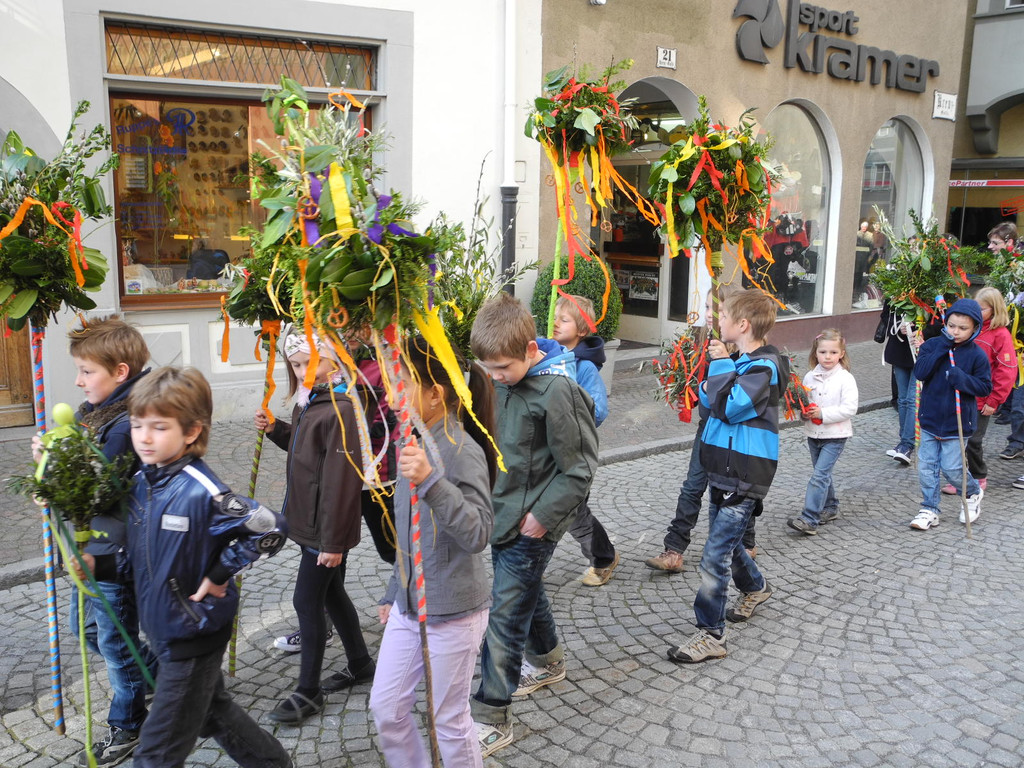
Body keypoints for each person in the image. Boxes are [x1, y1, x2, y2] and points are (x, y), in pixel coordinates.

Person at [74, 367, 291, 768]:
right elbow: (138, 556)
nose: (144, 437)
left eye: (159, 427)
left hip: (193, 633)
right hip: (162, 629)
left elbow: (271, 528)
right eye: (138, 425)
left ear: (191, 432)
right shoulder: (141, 484)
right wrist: (99, 565)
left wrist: (220, 572)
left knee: (155, 754)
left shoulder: (200, 489)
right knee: (214, 712)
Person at [468, 292, 598, 757]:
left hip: (534, 523)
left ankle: (491, 714)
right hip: (501, 514)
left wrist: (541, 518)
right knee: (524, 590)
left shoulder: (558, 391)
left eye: (502, 368)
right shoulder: (499, 378)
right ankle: (548, 661)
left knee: (504, 614)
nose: (494, 377)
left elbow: (580, 468)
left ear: (528, 350)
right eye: (488, 369)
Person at [369, 335, 497, 768]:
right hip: (409, 606)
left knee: (448, 721)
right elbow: (409, 533)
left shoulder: (461, 450)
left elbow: (479, 533)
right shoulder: (412, 441)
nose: (391, 396)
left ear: (435, 394)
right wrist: (394, 589)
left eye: (400, 384)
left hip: (453, 612)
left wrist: (431, 483)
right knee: (387, 709)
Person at [33, 316, 156, 767]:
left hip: (114, 554)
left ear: (120, 372)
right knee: (84, 629)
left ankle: (129, 723)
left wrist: (52, 474)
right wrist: (52, 457)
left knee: (116, 643)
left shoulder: (123, 425)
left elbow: (99, 492)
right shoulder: (96, 413)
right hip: (92, 549)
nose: (79, 381)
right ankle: (163, 676)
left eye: (87, 371)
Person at [254, 327, 375, 724]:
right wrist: (276, 429)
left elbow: (342, 481)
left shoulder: (341, 409)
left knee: (306, 601)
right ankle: (360, 662)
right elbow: (306, 448)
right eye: (295, 364)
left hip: (326, 529)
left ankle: (308, 692)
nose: (302, 370)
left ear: (332, 361)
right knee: (332, 594)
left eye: (310, 362)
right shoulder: (309, 401)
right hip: (310, 521)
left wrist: (333, 542)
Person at [667, 289, 784, 664]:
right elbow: (707, 404)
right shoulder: (739, 364)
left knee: (713, 556)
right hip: (723, 470)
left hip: (743, 475)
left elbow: (730, 407)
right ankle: (756, 586)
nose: (718, 321)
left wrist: (718, 370)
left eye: (724, 316)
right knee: (729, 545)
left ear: (743, 325)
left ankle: (711, 634)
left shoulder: (763, 368)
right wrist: (717, 380)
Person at [272, 328, 397, 655]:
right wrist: (276, 429)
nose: (348, 328)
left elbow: (393, 416)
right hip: (333, 484)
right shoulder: (315, 379)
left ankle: (417, 608)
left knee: (393, 549)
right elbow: (309, 445)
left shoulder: (379, 358)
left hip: (378, 477)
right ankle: (322, 630)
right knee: (329, 569)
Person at [645, 288, 758, 573]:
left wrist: (723, 359)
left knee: (735, 487)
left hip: (734, 434)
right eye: (707, 307)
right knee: (692, 487)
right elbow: (700, 388)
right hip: (707, 429)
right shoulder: (701, 343)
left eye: (717, 309)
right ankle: (674, 550)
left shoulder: (745, 351)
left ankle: (747, 542)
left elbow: (739, 396)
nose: (710, 314)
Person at [551, 294, 619, 586]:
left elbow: (599, 410)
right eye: (555, 317)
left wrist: (569, 413)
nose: (555, 323)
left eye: (564, 320)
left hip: (574, 453)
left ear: (581, 329)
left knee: (572, 511)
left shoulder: (585, 368)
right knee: (556, 509)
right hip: (549, 451)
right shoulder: (549, 357)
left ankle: (604, 558)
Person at [909, 299, 991, 530]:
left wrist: (962, 379)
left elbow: (985, 387)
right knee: (926, 467)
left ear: (975, 329)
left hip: (958, 423)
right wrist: (942, 347)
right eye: (951, 325)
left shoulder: (977, 355)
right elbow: (921, 372)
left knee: (952, 468)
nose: (955, 332)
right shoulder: (933, 345)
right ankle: (930, 508)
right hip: (930, 419)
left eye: (962, 328)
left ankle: (973, 493)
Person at [938, 288, 1014, 495]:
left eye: (981, 309)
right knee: (957, 439)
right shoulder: (971, 329)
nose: (976, 312)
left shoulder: (1001, 334)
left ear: (994, 309)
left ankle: (978, 475)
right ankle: (960, 477)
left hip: (982, 398)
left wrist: (994, 400)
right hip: (961, 393)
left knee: (973, 440)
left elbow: (1006, 370)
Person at [786, 329, 859, 535]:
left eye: (833, 352)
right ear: (815, 353)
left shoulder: (845, 378)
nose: (828, 357)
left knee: (819, 476)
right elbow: (805, 403)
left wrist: (823, 413)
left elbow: (850, 408)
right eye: (823, 352)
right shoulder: (810, 377)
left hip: (836, 435)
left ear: (841, 354)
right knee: (822, 473)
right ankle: (831, 506)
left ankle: (810, 518)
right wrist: (804, 413)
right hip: (814, 433)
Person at [875, 300, 919, 466]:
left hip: (920, 350)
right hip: (900, 350)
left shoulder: (931, 291)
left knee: (912, 399)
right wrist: (899, 326)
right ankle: (903, 442)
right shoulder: (896, 293)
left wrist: (920, 330)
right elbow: (886, 315)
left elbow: (939, 322)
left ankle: (907, 445)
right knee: (902, 399)